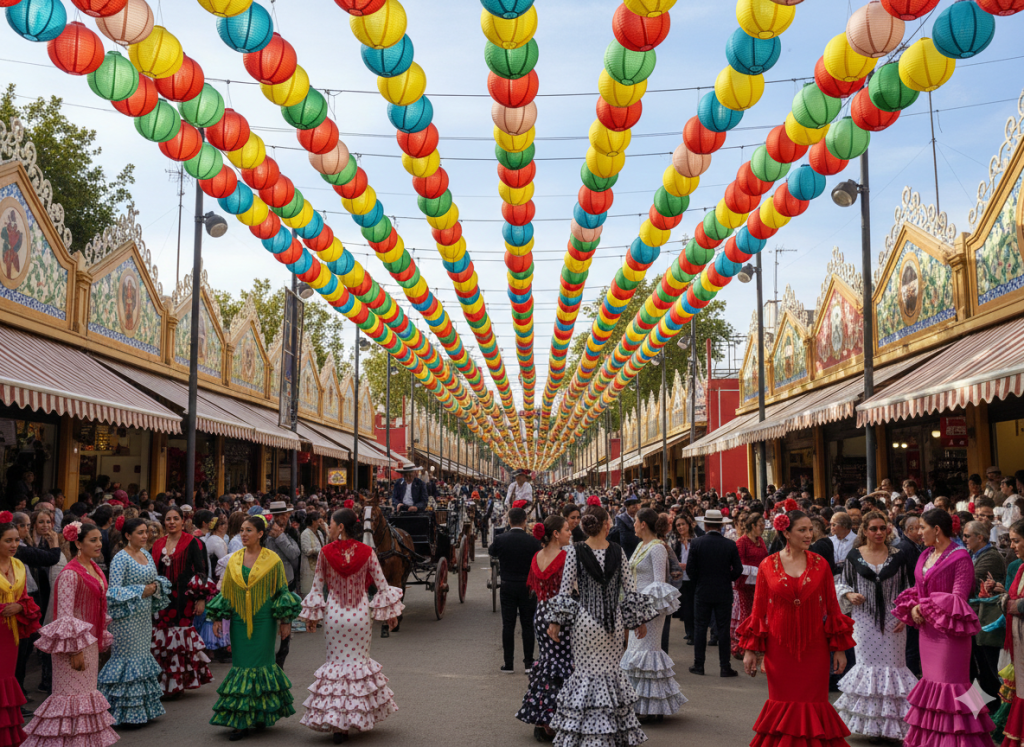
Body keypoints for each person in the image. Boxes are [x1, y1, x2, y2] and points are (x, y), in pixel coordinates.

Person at [738, 509, 856, 747]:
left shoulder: (821, 564)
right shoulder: (767, 565)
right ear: (786, 532)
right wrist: (751, 650)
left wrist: (840, 650)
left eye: (811, 529)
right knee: (781, 703)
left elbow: (833, 610)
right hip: (779, 651)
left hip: (816, 650)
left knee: (815, 704)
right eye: (802, 530)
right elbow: (757, 611)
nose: (809, 535)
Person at [546, 505, 658, 747]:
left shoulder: (575, 551)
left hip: (585, 623)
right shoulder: (618, 551)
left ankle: (585, 734)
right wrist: (638, 621)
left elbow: (565, 590)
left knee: (585, 675)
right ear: (606, 525)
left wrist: (555, 621)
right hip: (614, 623)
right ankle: (609, 733)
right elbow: (630, 590)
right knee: (611, 675)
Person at [299, 508, 403, 743]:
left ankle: (339, 726)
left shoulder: (325, 553)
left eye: (331, 523)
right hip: (359, 615)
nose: (329, 526)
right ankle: (358, 717)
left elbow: (317, 588)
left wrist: (312, 618)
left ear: (341, 527)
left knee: (336, 666)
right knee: (357, 666)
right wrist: (390, 614)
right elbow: (382, 585)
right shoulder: (367, 552)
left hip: (334, 616)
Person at [894, 509, 996, 746]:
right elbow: (919, 590)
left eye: (922, 527)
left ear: (937, 530)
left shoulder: (960, 556)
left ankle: (968, 740)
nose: (919, 532)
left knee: (955, 685)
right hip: (928, 633)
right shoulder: (926, 554)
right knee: (934, 687)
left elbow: (958, 598)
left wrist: (922, 606)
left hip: (951, 633)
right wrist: (914, 607)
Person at [207, 515, 302, 741]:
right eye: (241, 529)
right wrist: (219, 618)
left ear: (260, 533)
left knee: (262, 665)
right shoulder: (234, 560)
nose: (244, 533)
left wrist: (285, 621)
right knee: (242, 665)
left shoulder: (273, 559)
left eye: (249, 530)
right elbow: (226, 592)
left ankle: (259, 714)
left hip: (264, 621)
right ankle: (241, 720)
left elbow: (281, 591)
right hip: (239, 621)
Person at [25, 522, 119, 747]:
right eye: (93, 540)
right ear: (78, 543)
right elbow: (65, 617)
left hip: (89, 643)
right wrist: (74, 650)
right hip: (73, 647)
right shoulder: (69, 574)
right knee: (70, 702)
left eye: (99, 540)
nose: (99, 544)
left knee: (84, 701)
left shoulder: (93, 568)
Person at [833, 510, 917, 742]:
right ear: (865, 531)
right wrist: (849, 594)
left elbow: (909, 588)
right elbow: (841, 584)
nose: (879, 532)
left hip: (894, 620)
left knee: (895, 667)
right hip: (864, 620)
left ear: (888, 529)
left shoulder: (899, 556)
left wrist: (904, 615)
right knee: (867, 667)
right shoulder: (853, 556)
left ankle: (893, 727)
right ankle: (873, 727)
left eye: (883, 528)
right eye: (873, 528)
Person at [98, 518, 171, 727]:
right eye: (140, 532)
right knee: (127, 659)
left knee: (141, 657)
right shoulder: (121, 558)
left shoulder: (146, 554)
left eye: (146, 532)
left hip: (143, 616)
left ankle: (141, 710)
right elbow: (112, 592)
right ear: (128, 536)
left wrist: (155, 587)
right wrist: (142, 590)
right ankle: (124, 713)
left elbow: (154, 581)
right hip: (125, 619)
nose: (145, 536)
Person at [620, 509, 685, 719]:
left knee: (647, 654)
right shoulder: (641, 545)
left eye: (636, 522)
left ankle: (651, 708)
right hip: (639, 607)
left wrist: (645, 614)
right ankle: (641, 704)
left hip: (652, 610)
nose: (634, 525)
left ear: (643, 524)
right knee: (635, 653)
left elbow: (659, 583)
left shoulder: (658, 548)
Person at [516, 516, 573, 742]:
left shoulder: (537, 556)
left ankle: (544, 717)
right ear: (556, 534)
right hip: (559, 617)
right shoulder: (565, 557)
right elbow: (571, 590)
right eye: (567, 529)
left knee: (547, 665)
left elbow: (533, 586)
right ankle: (559, 719)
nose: (570, 533)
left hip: (540, 614)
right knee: (564, 666)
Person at [150, 506, 215, 697]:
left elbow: (202, 571)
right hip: (161, 599)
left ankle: (178, 682)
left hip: (184, 599)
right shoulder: (157, 544)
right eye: (168, 519)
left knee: (179, 641)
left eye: (175, 518)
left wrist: (201, 598)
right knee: (162, 639)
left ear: (182, 521)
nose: (171, 522)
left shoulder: (193, 542)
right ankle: (163, 682)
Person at [0, 512, 41, 747]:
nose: (14, 545)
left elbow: (26, 599)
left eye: (16, 540)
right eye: (8, 540)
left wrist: (18, 606)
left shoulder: (18, 565)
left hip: (11, 634)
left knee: (8, 678)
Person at [687, 509, 742, 677]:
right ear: (720, 526)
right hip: (723, 590)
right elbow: (738, 569)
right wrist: (727, 578)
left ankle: (699, 664)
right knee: (723, 629)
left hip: (703, 590)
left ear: (706, 524)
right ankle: (725, 666)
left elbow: (690, 570)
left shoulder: (697, 543)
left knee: (700, 627)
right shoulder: (730, 544)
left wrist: (699, 581)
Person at [488, 506, 542, 673]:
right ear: (525, 521)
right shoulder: (533, 542)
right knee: (527, 625)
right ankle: (528, 662)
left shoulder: (501, 539)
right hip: (527, 586)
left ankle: (509, 664)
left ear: (509, 521)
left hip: (507, 584)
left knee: (508, 625)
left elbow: (492, 552)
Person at [996, 518, 1024, 745]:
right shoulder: (1021, 566)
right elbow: (1010, 598)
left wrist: (1016, 605)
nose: (1012, 546)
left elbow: (1016, 602)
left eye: (1016, 541)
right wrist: (1005, 600)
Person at [733, 512, 769, 660]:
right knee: (747, 615)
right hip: (746, 584)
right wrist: (759, 570)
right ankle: (742, 647)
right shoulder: (741, 542)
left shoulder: (760, 540)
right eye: (760, 524)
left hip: (760, 584)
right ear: (752, 525)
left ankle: (754, 645)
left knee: (759, 615)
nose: (763, 527)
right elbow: (738, 565)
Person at [669, 514, 696, 645]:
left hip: (694, 577)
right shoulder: (674, 541)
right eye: (678, 525)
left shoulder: (696, 539)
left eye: (682, 524)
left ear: (688, 524)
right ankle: (689, 632)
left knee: (694, 605)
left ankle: (695, 633)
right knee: (686, 606)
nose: (680, 527)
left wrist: (689, 566)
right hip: (680, 578)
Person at [299, 512, 326, 597]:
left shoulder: (319, 533)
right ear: (313, 521)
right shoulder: (305, 533)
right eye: (318, 520)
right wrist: (321, 550)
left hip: (320, 566)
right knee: (309, 593)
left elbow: (326, 544)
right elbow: (306, 550)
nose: (319, 522)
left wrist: (325, 529)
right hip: (309, 567)